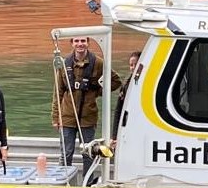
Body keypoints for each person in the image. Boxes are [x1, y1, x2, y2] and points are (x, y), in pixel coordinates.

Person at [51, 36, 120, 169]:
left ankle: (88, 183)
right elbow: (58, 91)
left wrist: (98, 92)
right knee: (66, 153)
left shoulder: (98, 63)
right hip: (67, 117)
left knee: (88, 154)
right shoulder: (64, 64)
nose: (80, 44)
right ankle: (65, 182)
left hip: (88, 117)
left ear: (88, 43)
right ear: (72, 44)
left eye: (83, 41)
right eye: (76, 41)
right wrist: (55, 117)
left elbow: (116, 81)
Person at [111, 51, 142, 146]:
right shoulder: (126, 84)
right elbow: (118, 110)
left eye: (135, 65)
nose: (132, 68)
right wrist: (115, 136)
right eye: (131, 65)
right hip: (128, 126)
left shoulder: (149, 83)